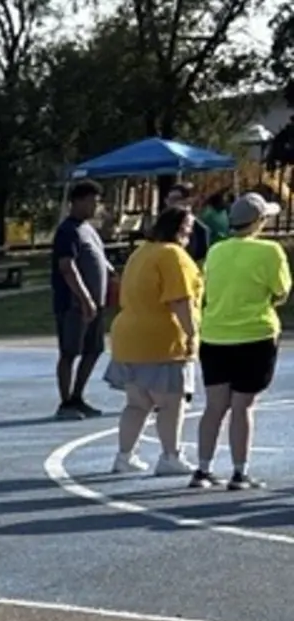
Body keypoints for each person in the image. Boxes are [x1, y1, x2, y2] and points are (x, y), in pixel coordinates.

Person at [190, 192, 291, 491]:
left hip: (215, 333)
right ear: (258, 222)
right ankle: (239, 471)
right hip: (254, 333)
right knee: (243, 406)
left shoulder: (217, 251)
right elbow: (281, 290)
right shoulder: (270, 251)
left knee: (214, 406)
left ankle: (203, 469)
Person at [104, 204, 201, 477]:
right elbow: (179, 299)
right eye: (188, 229)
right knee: (171, 403)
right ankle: (171, 455)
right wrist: (192, 334)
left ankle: (124, 455)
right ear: (179, 229)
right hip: (162, 341)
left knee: (137, 403)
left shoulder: (141, 252)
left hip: (128, 338)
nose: (190, 235)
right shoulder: (172, 256)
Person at [51, 179, 109, 417]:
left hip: (96, 304)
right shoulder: (68, 231)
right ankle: (65, 403)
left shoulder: (88, 229)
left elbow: (97, 259)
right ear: (77, 201)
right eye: (91, 202)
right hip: (74, 304)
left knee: (93, 350)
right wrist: (85, 299)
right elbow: (67, 266)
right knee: (69, 352)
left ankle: (77, 397)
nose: (95, 207)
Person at [159, 182, 210, 266]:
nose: (171, 203)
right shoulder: (160, 227)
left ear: (189, 201)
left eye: (176, 199)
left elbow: (200, 263)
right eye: (169, 200)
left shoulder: (200, 230)